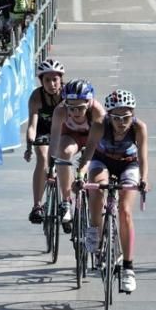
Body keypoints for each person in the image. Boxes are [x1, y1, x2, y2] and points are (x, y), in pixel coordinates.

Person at [77, 90, 149, 294]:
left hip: (129, 164)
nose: (121, 123)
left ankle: (128, 268)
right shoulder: (100, 125)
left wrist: (143, 179)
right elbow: (89, 154)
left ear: (132, 115)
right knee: (96, 189)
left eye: (126, 117)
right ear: (109, 116)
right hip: (103, 160)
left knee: (125, 211)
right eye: (116, 118)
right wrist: (80, 176)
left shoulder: (139, 127)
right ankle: (95, 230)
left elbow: (143, 157)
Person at [49, 79, 106, 233]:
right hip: (71, 136)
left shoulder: (97, 111)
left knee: (92, 163)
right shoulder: (60, 110)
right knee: (64, 153)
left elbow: (101, 143)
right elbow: (54, 139)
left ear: (89, 103)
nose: (75, 113)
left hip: (92, 138)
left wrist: (86, 163)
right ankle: (66, 200)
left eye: (80, 108)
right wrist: (52, 164)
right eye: (71, 108)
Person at [24, 58, 66, 224]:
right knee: (42, 157)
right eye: (47, 80)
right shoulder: (36, 96)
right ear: (41, 81)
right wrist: (29, 145)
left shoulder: (66, 94)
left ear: (60, 79)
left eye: (55, 79)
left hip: (63, 130)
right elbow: (32, 126)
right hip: (43, 130)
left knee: (64, 158)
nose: (52, 84)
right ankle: (37, 205)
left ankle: (67, 202)